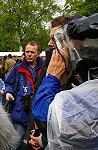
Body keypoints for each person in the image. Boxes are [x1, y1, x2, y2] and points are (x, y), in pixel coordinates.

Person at [31, 13, 98, 149]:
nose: (50, 43)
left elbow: (50, 119)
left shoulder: (87, 78)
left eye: (57, 38)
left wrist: (52, 78)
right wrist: (43, 139)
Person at [4, 41, 44, 150]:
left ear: (38, 53)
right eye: (27, 52)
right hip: (21, 110)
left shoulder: (45, 68)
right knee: (16, 142)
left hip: (39, 113)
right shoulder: (18, 68)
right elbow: (9, 83)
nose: (29, 54)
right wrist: (8, 92)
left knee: (36, 144)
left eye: (32, 52)